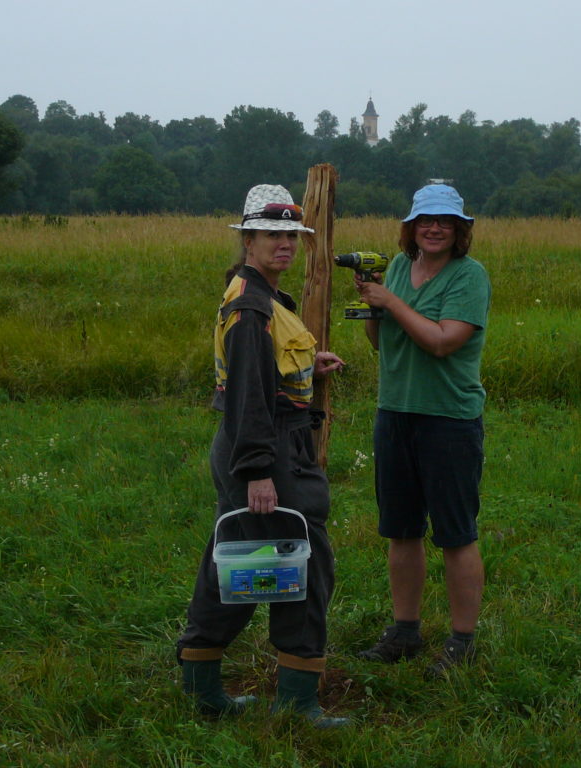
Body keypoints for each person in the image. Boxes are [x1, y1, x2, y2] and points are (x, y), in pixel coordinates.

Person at [176, 184, 348, 728]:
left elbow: (263, 374)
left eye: (291, 235)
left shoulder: (263, 296)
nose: (285, 245)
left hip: (267, 444)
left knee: (239, 558)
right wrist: (257, 473)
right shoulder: (252, 306)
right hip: (267, 450)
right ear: (248, 239)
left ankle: (201, 683)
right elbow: (247, 395)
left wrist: (304, 369)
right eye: (272, 234)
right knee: (298, 563)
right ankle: (296, 704)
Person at [351, 184, 491, 677]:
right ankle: (405, 632)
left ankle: (462, 641)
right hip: (395, 412)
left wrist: (390, 301)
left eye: (445, 222)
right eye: (425, 220)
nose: (434, 228)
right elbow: (379, 340)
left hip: (448, 419)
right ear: (411, 227)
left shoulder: (469, 276)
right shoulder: (394, 267)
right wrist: (374, 307)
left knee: (455, 533)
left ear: (459, 231)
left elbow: (441, 341)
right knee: (400, 530)